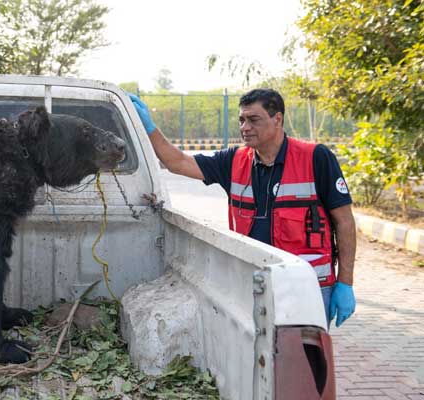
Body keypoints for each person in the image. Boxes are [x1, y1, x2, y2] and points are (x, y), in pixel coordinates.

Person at [130, 89, 356, 328]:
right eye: (242, 120)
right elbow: (178, 163)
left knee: (304, 362)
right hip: (254, 286)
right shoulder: (234, 161)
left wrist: (345, 283)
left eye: (253, 120)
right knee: (258, 361)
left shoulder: (315, 158)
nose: (245, 127)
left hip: (306, 287)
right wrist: (150, 128)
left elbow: (345, 222)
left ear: (277, 119)